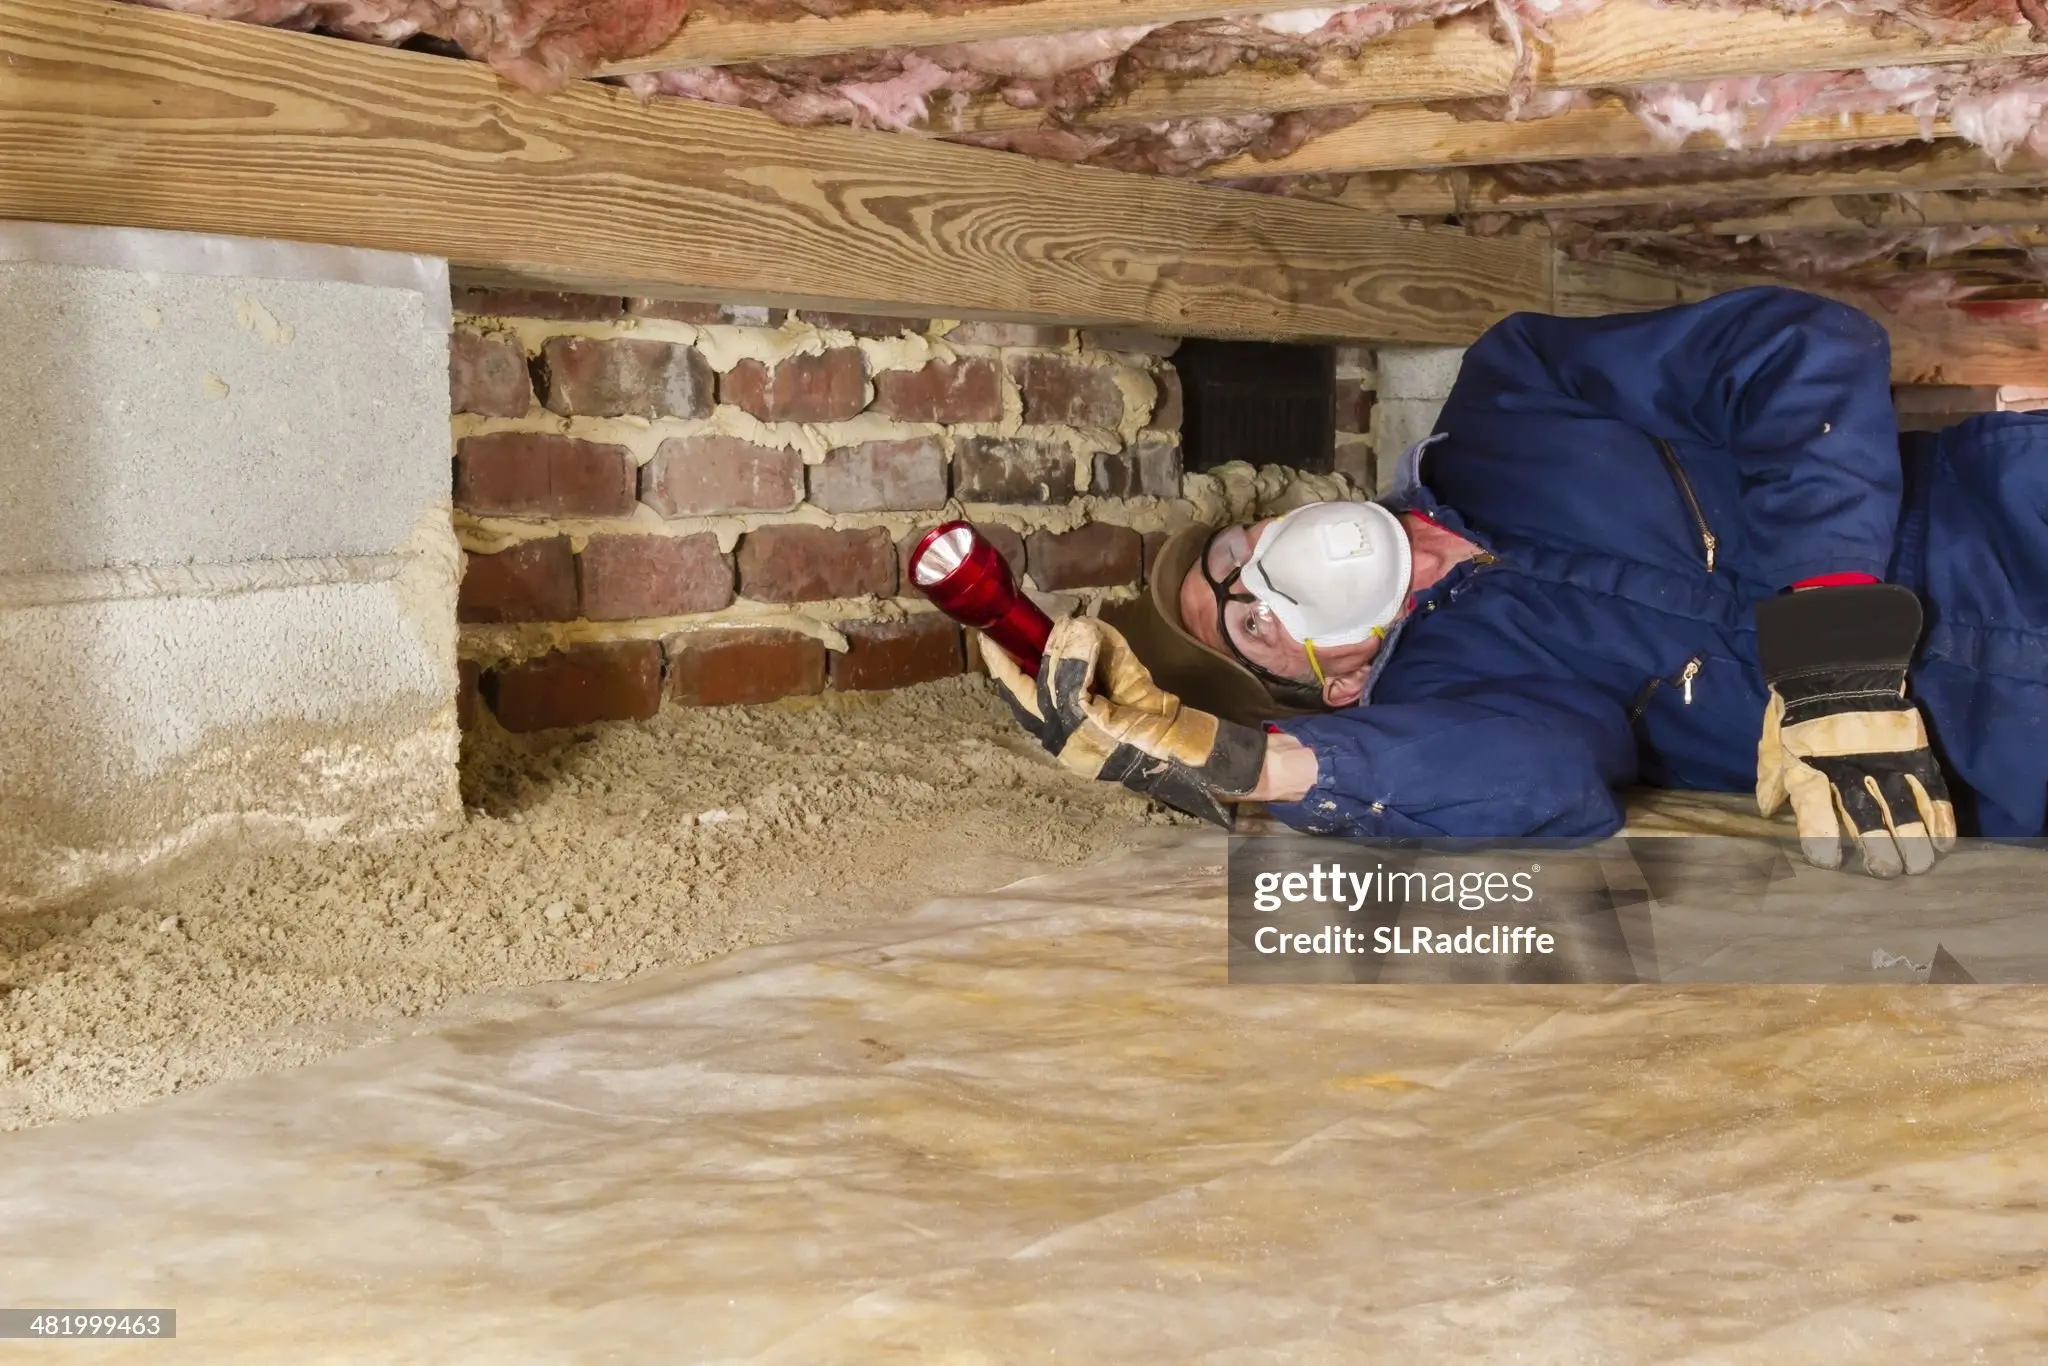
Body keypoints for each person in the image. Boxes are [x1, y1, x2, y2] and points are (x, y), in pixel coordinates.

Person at [985, 286, 2048, 878]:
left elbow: (1797, 349)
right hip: (1999, 755)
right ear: (1335, 684)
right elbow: (1542, 785)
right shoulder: (1453, 698)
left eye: (1230, 558)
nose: (1257, 579)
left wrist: (1828, 639)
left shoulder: (1510, 394)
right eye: (1250, 623)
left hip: (2012, 520)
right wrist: (1244, 761)